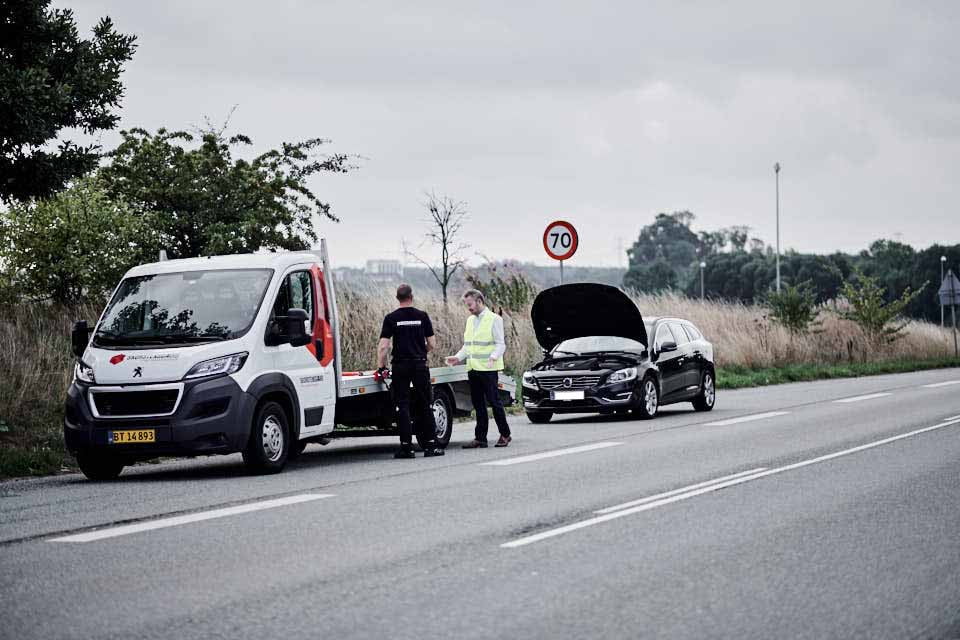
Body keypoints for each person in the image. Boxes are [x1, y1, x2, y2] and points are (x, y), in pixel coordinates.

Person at [377, 284, 444, 459]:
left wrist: (381, 367)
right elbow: (432, 344)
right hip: (420, 365)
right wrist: (421, 352)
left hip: (400, 366)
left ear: (397, 298)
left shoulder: (391, 318)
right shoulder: (422, 316)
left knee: (402, 405)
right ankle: (430, 446)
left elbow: (384, 346)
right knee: (425, 404)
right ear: (411, 296)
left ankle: (406, 447)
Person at [445, 289, 511, 448]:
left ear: (479, 301)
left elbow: (500, 344)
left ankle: (505, 434)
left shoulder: (494, 319)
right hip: (473, 369)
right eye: (467, 305)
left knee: (494, 402)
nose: (468, 308)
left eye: (470, 304)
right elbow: (468, 346)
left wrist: (493, 357)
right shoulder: (470, 321)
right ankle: (480, 438)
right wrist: (458, 357)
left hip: (488, 369)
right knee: (478, 404)